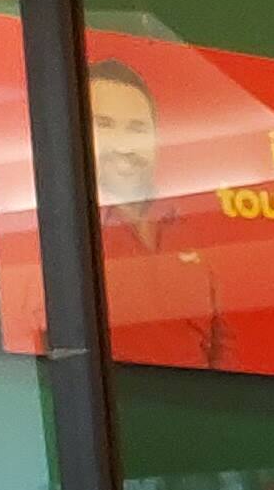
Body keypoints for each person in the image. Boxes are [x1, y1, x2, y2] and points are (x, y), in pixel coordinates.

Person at [85, 59, 228, 370]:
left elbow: (224, 346)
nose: (124, 146)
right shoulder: (57, 237)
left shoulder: (193, 229)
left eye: (137, 129)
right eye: (104, 125)